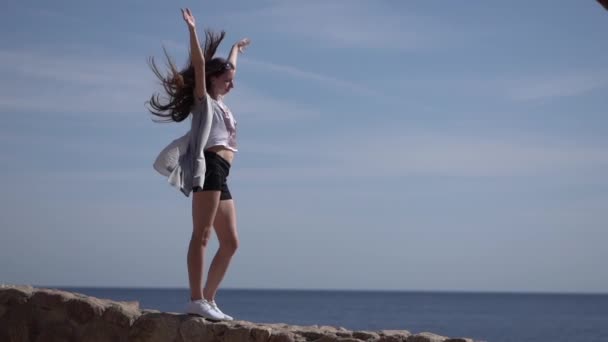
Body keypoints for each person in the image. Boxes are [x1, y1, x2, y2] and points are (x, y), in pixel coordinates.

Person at [147, 8, 250, 320]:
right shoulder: (204, 102)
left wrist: (236, 49)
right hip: (209, 167)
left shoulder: (222, 102)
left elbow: (230, 66)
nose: (232, 83)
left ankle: (208, 299)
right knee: (202, 234)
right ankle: (196, 299)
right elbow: (201, 65)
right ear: (215, 80)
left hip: (224, 172)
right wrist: (192, 31)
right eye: (228, 80)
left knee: (231, 242)